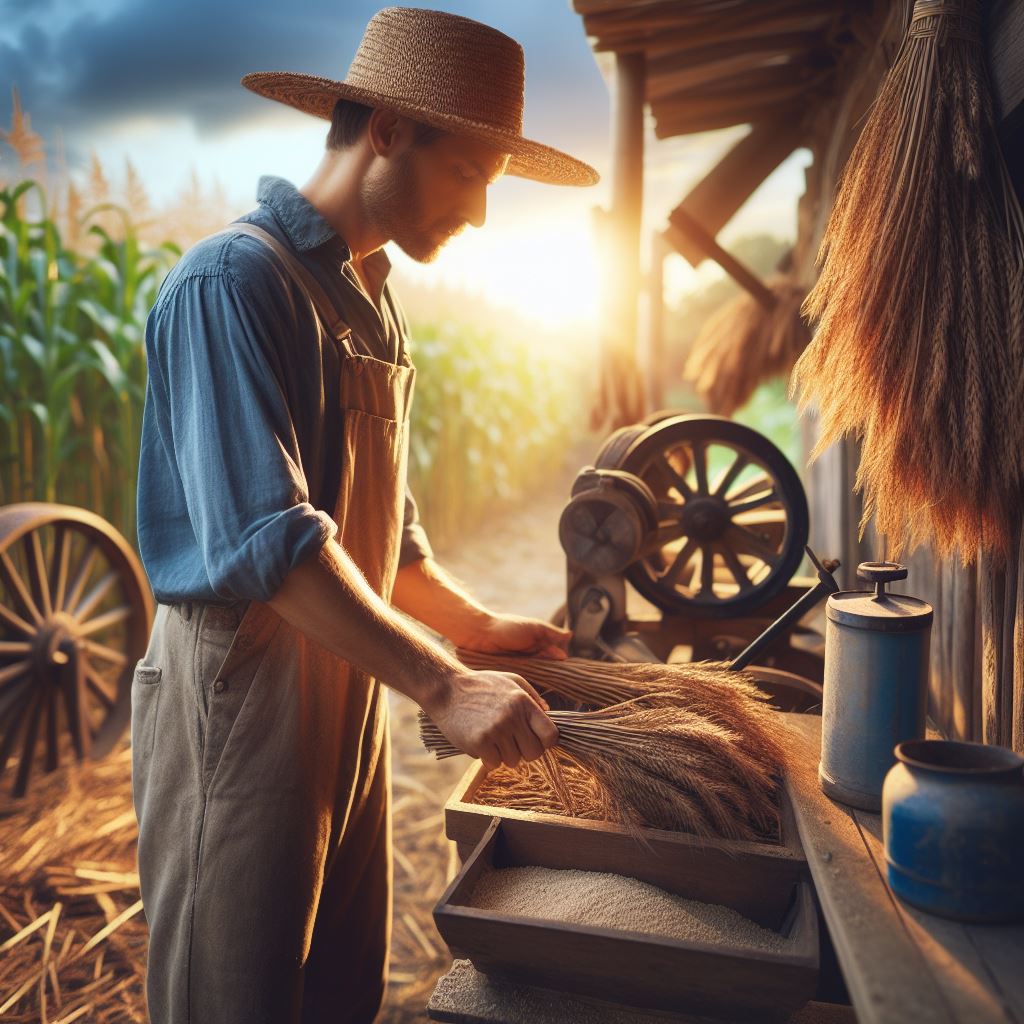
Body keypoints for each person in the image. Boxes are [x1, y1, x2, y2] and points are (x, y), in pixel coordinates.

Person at [130, 6, 599, 1024]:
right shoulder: (233, 281)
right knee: (234, 991)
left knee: (335, 986)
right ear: (385, 129)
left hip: (348, 691)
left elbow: (387, 542)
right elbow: (275, 544)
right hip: (240, 698)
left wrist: (477, 631)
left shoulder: (369, 300)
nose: (480, 213)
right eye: (472, 173)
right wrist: (442, 681)